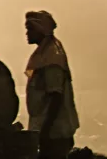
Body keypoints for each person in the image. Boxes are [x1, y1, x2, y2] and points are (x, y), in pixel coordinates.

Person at [24, 10, 80, 159]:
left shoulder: (51, 57)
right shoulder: (43, 55)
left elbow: (56, 96)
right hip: (47, 129)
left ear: (41, 30)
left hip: (54, 132)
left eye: (30, 29)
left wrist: (45, 131)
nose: (27, 33)